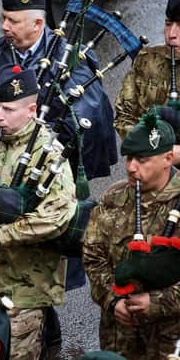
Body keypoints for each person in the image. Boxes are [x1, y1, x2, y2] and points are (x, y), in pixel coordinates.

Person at [0, 64, 77, 359]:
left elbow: (55, 218)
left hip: (23, 285)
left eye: (9, 109)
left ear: (31, 110)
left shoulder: (50, 154)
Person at [0, 0, 117, 180]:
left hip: (55, 165)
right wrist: (8, 132)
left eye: (13, 21)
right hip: (4, 157)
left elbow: (86, 111)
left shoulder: (68, 57)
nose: (4, 27)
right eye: (3, 18)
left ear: (37, 24)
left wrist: (39, 138)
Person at [83, 113, 180, 359]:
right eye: (128, 158)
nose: (130, 167)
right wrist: (113, 300)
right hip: (119, 334)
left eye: (142, 159)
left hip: (170, 337)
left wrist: (157, 302)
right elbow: (93, 257)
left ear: (168, 158)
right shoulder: (113, 198)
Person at [114, 0, 180, 152]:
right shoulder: (147, 60)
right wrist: (151, 145)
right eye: (168, 23)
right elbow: (124, 116)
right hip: (150, 164)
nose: (171, 34)